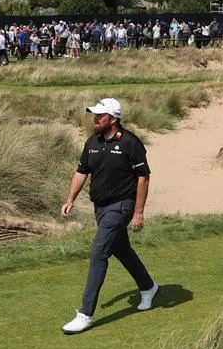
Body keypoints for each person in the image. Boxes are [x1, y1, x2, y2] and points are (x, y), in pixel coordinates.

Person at [61, 97, 158, 335]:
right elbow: (81, 172)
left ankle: (85, 314)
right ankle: (148, 286)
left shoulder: (130, 143)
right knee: (121, 250)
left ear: (113, 119)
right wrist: (70, 199)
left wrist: (138, 212)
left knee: (99, 252)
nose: (95, 119)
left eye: (100, 116)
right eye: (94, 115)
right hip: (100, 207)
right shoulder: (92, 142)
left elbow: (143, 178)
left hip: (122, 206)